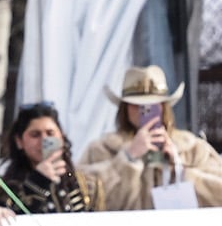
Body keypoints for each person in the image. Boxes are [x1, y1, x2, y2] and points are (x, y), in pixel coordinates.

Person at [75, 66, 222, 209]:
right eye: (136, 104)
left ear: (164, 107)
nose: (143, 111)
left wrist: (180, 169)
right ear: (124, 107)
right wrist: (127, 159)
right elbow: (82, 196)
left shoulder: (193, 148)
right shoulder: (100, 149)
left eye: (151, 105)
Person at [0, 103, 100, 219]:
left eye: (50, 133)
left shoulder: (88, 185)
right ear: (19, 141)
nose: (45, 140)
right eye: (35, 135)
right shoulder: (2, 187)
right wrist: (37, 182)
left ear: (62, 137)